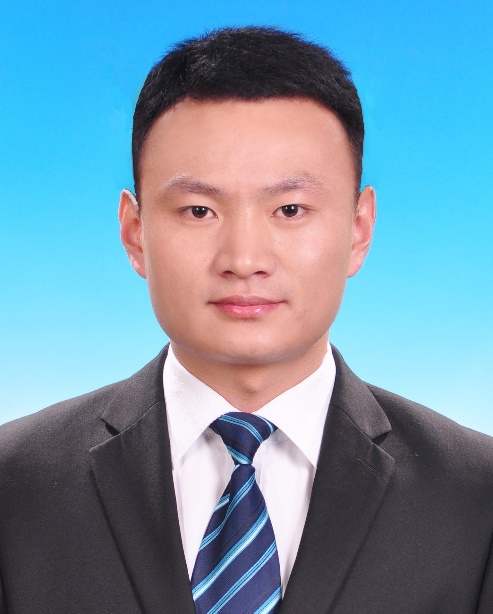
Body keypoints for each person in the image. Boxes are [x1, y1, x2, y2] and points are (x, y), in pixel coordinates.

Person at [0, 26, 492, 614]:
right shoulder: (14, 483)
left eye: (290, 209)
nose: (244, 259)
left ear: (359, 229)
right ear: (135, 232)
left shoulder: (476, 495)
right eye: (198, 210)